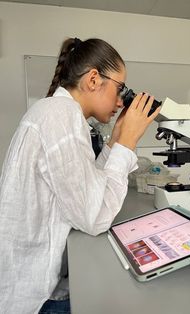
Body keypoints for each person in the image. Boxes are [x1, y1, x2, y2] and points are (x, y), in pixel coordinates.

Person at [0, 37, 160, 314]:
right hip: (37, 300)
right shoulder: (61, 116)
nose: (121, 100)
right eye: (119, 88)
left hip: (38, 280)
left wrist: (118, 138)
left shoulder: (57, 112)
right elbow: (95, 217)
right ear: (94, 79)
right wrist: (128, 142)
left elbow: (90, 187)